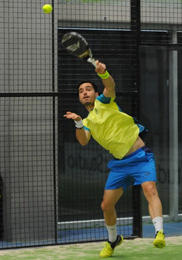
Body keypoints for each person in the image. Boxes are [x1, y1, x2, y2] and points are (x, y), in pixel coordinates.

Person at [63, 61, 165, 258]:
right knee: (106, 205)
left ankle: (159, 232)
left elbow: (110, 86)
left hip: (140, 157)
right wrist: (77, 122)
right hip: (120, 165)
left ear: (94, 93)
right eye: (81, 91)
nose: (85, 92)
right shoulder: (87, 122)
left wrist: (103, 74)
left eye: (88, 89)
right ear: (79, 97)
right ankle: (113, 239)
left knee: (150, 189)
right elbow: (83, 140)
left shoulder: (104, 101)